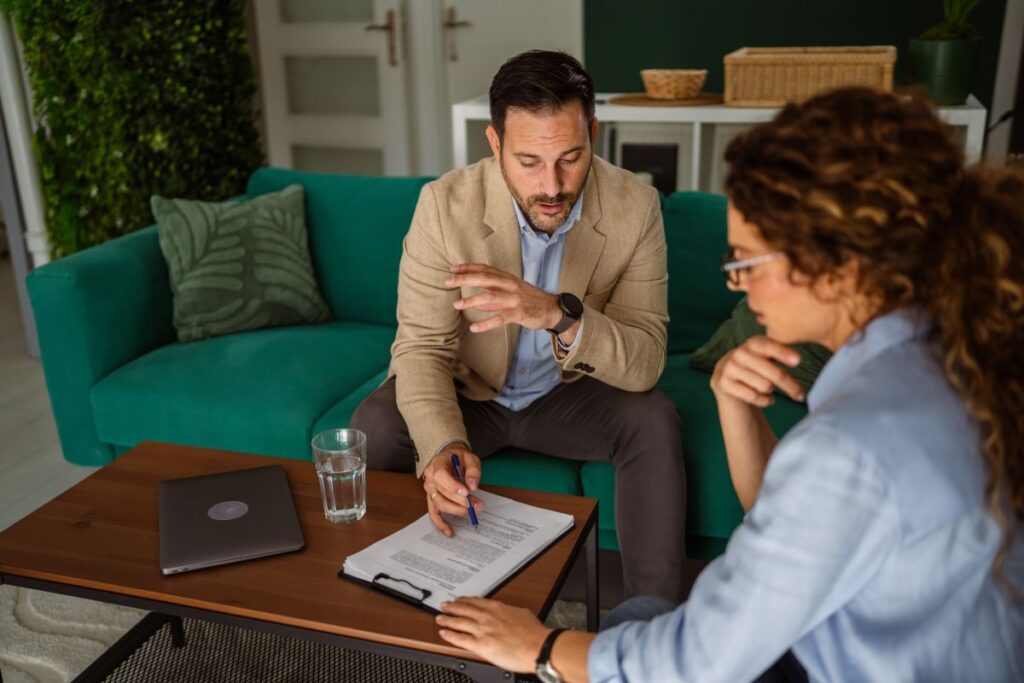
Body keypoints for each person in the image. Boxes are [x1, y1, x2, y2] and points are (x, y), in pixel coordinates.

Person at [430, 87, 1024, 682]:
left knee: (624, 634)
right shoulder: (948, 358)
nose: (738, 286)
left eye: (745, 262)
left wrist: (540, 647)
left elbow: (698, 661)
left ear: (832, 261)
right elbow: (801, 530)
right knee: (639, 613)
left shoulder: (852, 441)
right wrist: (733, 405)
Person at [349, 50, 687, 601]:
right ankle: (384, 596)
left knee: (653, 418)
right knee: (378, 422)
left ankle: (654, 626)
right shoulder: (443, 206)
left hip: (568, 396)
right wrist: (441, 447)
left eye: (571, 158)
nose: (551, 185)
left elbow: (647, 358)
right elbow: (420, 349)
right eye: (529, 161)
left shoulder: (637, 207)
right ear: (495, 144)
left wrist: (555, 313)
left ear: (594, 134)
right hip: (470, 397)